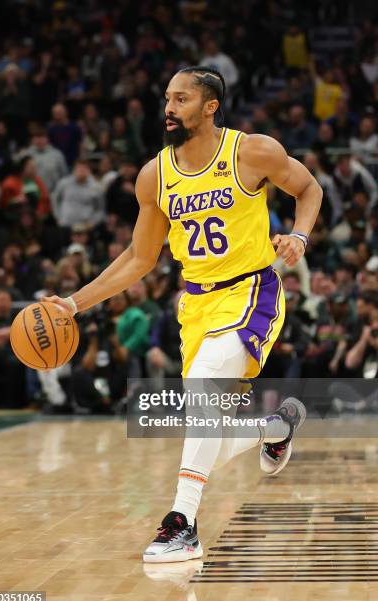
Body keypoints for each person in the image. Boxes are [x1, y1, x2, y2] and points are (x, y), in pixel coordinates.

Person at [43, 66, 322, 562]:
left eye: (182, 99)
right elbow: (138, 258)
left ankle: (183, 523)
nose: (169, 108)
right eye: (167, 98)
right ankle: (274, 428)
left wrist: (298, 236)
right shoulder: (155, 175)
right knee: (205, 420)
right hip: (195, 306)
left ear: (210, 106)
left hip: (251, 291)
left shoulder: (251, 150)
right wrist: (72, 304)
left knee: (204, 393)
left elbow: (309, 189)